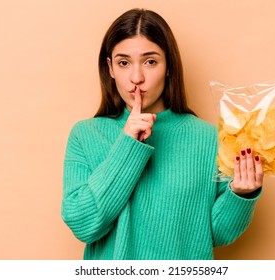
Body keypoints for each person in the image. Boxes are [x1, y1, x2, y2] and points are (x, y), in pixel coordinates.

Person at [62, 8, 263, 260]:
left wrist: (240, 195)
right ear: (110, 68)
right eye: (124, 63)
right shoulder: (86, 134)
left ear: (169, 66)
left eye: (150, 61)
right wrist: (127, 145)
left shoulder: (209, 138)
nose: (136, 77)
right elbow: (84, 224)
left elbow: (213, 235)